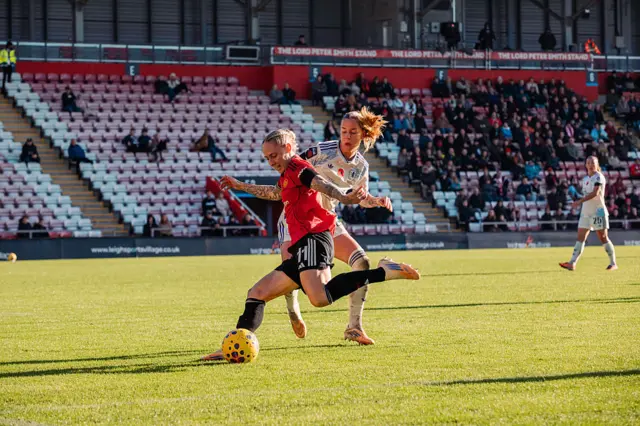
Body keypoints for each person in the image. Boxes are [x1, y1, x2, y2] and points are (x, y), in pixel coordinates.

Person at [201, 129, 419, 361]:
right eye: (267, 158)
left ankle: (384, 272)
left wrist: (345, 198)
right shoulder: (287, 175)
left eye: (273, 155)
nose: (271, 161)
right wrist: (240, 185)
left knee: (319, 298)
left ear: (287, 148)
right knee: (257, 293)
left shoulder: (298, 167)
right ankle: (234, 345)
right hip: (302, 244)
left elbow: (320, 184)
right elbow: (276, 193)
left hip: (315, 238)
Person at [560, 156, 618, 271]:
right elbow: (586, 195)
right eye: (588, 162)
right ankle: (572, 263)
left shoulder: (599, 177)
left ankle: (613, 263)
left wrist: (579, 201)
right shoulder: (585, 179)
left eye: (593, 162)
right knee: (580, 238)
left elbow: (595, 193)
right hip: (586, 212)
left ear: (597, 165)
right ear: (586, 165)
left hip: (598, 211)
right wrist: (578, 200)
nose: (591, 164)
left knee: (603, 237)